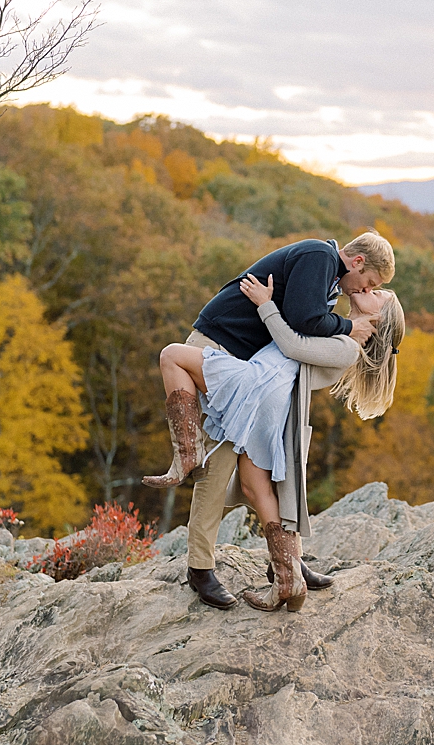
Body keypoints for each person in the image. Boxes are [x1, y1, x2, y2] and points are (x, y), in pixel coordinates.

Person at [144, 232, 396, 610]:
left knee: (259, 485)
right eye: (371, 284)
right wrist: (345, 326)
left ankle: (285, 565)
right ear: (358, 262)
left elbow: (298, 333)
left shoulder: (332, 291)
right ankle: (203, 566)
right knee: (222, 472)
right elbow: (302, 323)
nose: (364, 289)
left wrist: (340, 327)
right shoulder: (319, 257)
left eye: (373, 291)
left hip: (250, 378)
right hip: (221, 347)